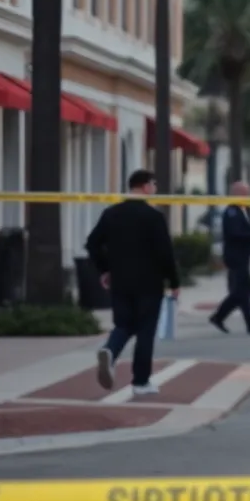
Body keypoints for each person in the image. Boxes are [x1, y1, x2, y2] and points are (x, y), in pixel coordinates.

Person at [86, 169, 180, 396]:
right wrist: (174, 281)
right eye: (154, 184)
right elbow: (165, 252)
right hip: (149, 282)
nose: (155, 189)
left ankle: (110, 349)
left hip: (121, 280)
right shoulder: (154, 217)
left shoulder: (111, 214)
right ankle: (140, 381)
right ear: (146, 186)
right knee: (146, 331)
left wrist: (105, 268)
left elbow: (92, 243)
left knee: (124, 324)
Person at [209, 181, 250, 334]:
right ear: (237, 194)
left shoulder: (241, 211)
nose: (248, 196)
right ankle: (219, 316)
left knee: (244, 291)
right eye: (245, 193)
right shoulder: (232, 212)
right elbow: (236, 235)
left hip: (242, 256)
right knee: (240, 292)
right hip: (235, 257)